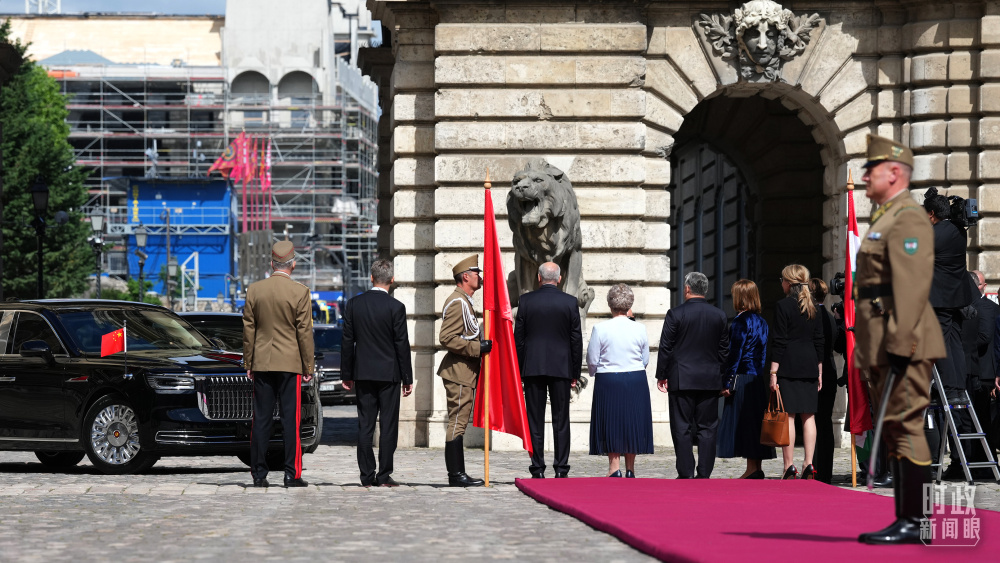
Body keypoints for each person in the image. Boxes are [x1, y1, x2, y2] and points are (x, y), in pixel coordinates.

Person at [855, 134, 946, 544]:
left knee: (907, 425)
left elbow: (911, 287)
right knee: (894, 427)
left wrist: (900, 344)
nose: (864, 177)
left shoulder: (907, 217)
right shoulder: (887, 217)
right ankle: (906, 517)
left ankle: (917, 520)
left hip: (902, 339)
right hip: (882, 338)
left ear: (894, 173)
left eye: (870, 170)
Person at [242, 240, 315, 488]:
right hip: (290, 363)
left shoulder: (255, 290)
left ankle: (258, 474)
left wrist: (248, 361)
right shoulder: (300, 292)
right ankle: (291, 474)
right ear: (293, 264)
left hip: (262, 362)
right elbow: (304, 333)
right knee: (290, 420)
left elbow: (248, 330)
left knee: (261, 420)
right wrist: (308, 366)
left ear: (272, 263)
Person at [340, 259, 414, 487]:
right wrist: (407, 378)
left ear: (371, 278)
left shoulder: (354, 304)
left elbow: (347, 342)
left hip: (363, 373)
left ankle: (366, 475)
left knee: (365, 425)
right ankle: (383, 475)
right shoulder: (396, 307)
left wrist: (346, 374)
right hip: (389, 374)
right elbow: (402, 344)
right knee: (388, 426)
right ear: (392, 280)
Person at [655, 271, 729, 479]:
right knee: (708, 427)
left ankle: (686, 471)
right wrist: (722, 376)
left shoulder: (675, 314)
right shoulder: (719, 315)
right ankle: (704, 472)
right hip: (709, 379)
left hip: (682, 378)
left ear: (687, 289)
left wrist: (661, 374)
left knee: (682, 427)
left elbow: (666, 347)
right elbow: (724, 351)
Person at [514, 262, 583, 479]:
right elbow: (576, 340)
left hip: (533, 367)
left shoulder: (526, 301)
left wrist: (519, 368)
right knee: (561, 419)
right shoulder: (570, 302)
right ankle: (561, 468)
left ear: (539, 278)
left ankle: (537, 468)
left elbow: (519, 339)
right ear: (559, 279)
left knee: (534, 419)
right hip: (561, 367)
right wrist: (575, 372)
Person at [587, 284, 653, 477]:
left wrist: (595, 372)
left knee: (611, 421)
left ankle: (614, 467)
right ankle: (630, 468)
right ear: (629, 305)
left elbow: (592, 359)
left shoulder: (600, 328)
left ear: (610, 304)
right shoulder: (640, 328)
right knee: (633, 420)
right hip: (635, 378)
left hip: (609, 378)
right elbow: (645, 358)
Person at [437, 255, 492, 487]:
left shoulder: (464, 301)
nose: (480, 276)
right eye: (476, 273)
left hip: (464, 372)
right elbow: (446, 338)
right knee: (457, 422)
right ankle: (456, 474)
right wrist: (477, 348)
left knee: (459, 422)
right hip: (459, 372)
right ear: (466, 277)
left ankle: (457, 474)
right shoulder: (458, 302)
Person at [769, 264, 824, 480]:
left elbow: (779, 341)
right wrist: (819, 371)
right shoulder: (814, 307)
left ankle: (789, 466)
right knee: (809, 416)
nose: (781, 284)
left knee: (789, 417)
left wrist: (773, 372)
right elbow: (819, 340)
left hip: (788, 365)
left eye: (782, 280)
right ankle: (809, 464)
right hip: (810, 365)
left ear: (789, 283)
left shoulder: (782, 306)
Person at [717, 279, 775, 478]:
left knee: (746, 424)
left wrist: (727, 381)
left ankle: (751, 469)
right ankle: (756, 467)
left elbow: (735, 355)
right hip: (756, 378)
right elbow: (763, 353)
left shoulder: (740, 321)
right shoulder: (762, 321)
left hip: (741, 377)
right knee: (756, 423)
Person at [963, 270, 999, 476]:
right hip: (977, 371)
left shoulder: (985, 307)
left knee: (981, 420)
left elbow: (984, 337)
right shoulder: (974, 305)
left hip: (984, 373)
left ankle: (986, 465)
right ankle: (978, 462)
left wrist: (960, 347)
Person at [810, 278, 842, 484]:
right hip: (829, 371)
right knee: (825, 422)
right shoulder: (830, 317)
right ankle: (824, 470)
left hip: (818, 371)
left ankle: (817, 468)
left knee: (814, 421)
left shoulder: (814, 317)